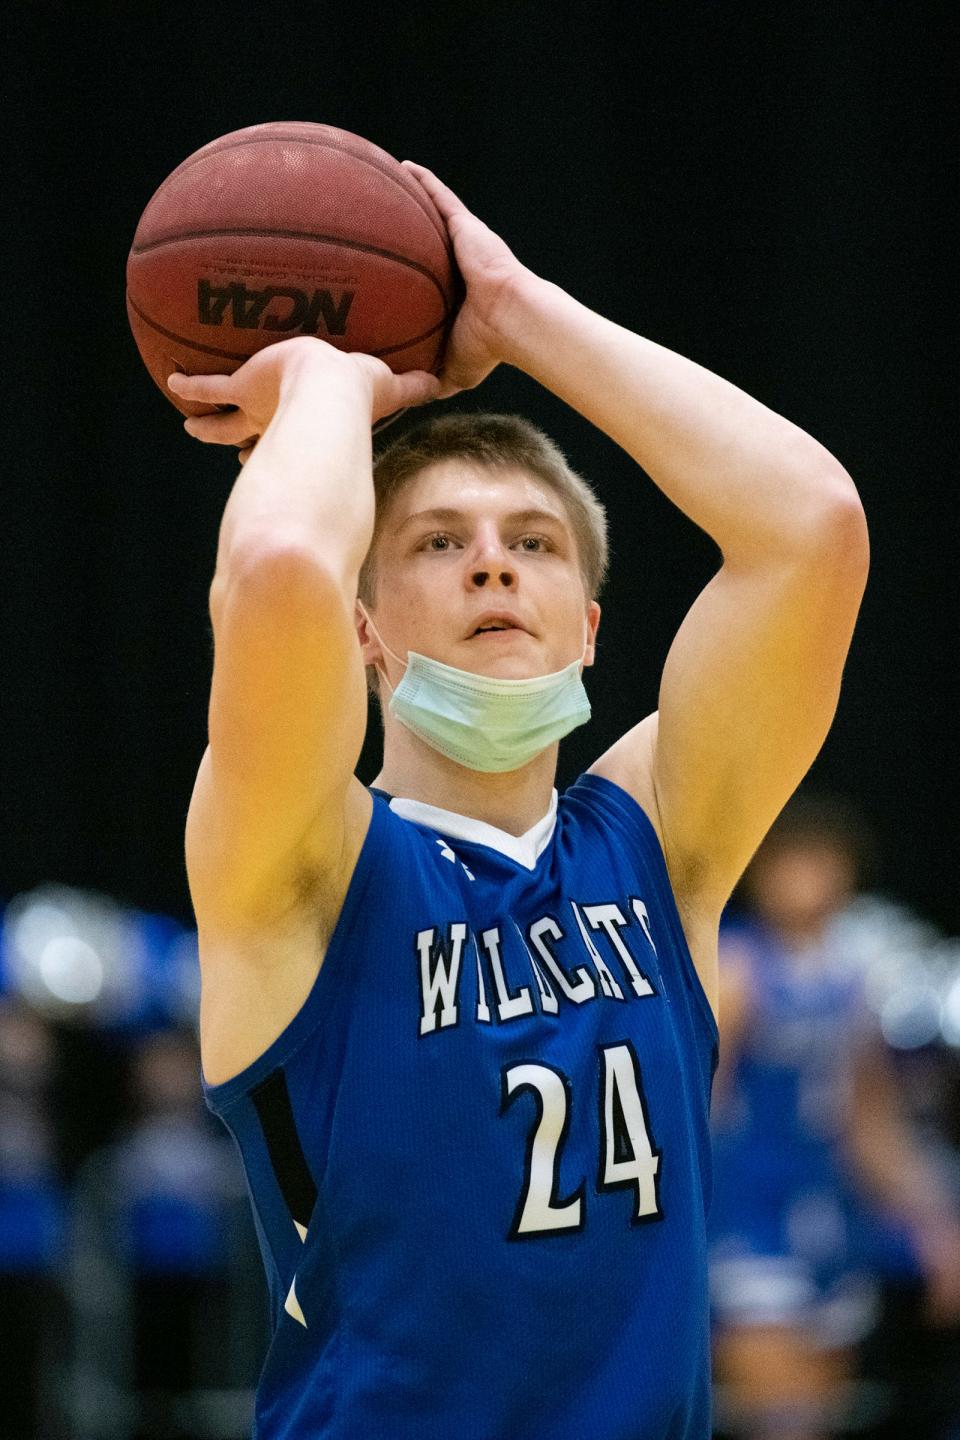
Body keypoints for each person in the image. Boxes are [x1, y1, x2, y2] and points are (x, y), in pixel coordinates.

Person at [167, 161, 869, 1440]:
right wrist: (333, 380)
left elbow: (811, 527)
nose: (494, 558)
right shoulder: (306, 866)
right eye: (440, 540)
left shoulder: (661, 843)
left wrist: (516, 310)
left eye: (533, 541)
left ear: (591, 629)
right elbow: (276, 568)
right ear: (365, 630)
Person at [709, 794, 960, 1440]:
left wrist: (933, 1225)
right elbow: (690, 1113)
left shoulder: (857, 978)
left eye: (821, 860)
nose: (806, 876)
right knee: (776, 1419)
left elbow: (870, 1124)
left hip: (833, 1230)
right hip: (750, 1230)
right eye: (790, 861)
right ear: (760, 872)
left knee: (823, 1418)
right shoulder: (738, 970)